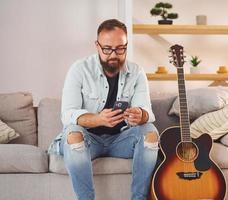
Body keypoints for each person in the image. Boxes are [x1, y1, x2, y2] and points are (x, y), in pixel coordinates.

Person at [48, 19, 159, 200]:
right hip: (88, 140)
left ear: (126, 46)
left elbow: (148, 112)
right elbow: (67, 115)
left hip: (120, 140)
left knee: (150, 132)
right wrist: (98, 119)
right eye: (107, 48)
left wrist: (140, 114)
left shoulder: (137, 72)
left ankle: (139, 198)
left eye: (120, 48)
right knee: (73, 134)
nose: (113, 54)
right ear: (97, 46)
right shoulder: (79, 69)